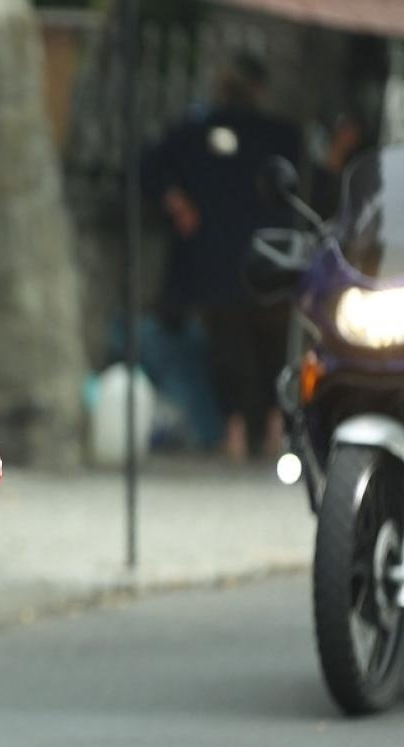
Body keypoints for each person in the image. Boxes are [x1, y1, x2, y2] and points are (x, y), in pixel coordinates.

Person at [145, 52, 301, 462]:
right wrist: (178, 204)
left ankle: (262, 427)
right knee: (245, 346)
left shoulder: (272, 134)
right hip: (242, 259)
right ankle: (251, 427)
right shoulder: (201, 132)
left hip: (251, 258)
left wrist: (178, 204)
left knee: (249, 346)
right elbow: (153, 168)